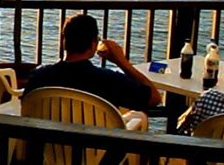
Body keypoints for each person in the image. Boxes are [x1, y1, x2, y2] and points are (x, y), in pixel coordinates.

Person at [25, 15, 162, 117]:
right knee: (139, 117)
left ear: (64, 41)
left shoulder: (39, 76)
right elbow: (155, 98)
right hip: (99, 153)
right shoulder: (108, 80)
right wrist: (123, 62)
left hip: (49, 151)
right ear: (93, 44)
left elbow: (26, 107)